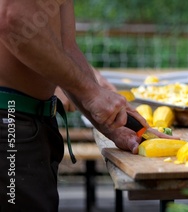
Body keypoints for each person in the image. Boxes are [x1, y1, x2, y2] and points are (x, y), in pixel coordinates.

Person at [0, 1, 173, 211]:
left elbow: (67, 48)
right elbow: (13, 21)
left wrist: (107, 121)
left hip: (34, 122)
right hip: (9, 119)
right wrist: (92, 93)